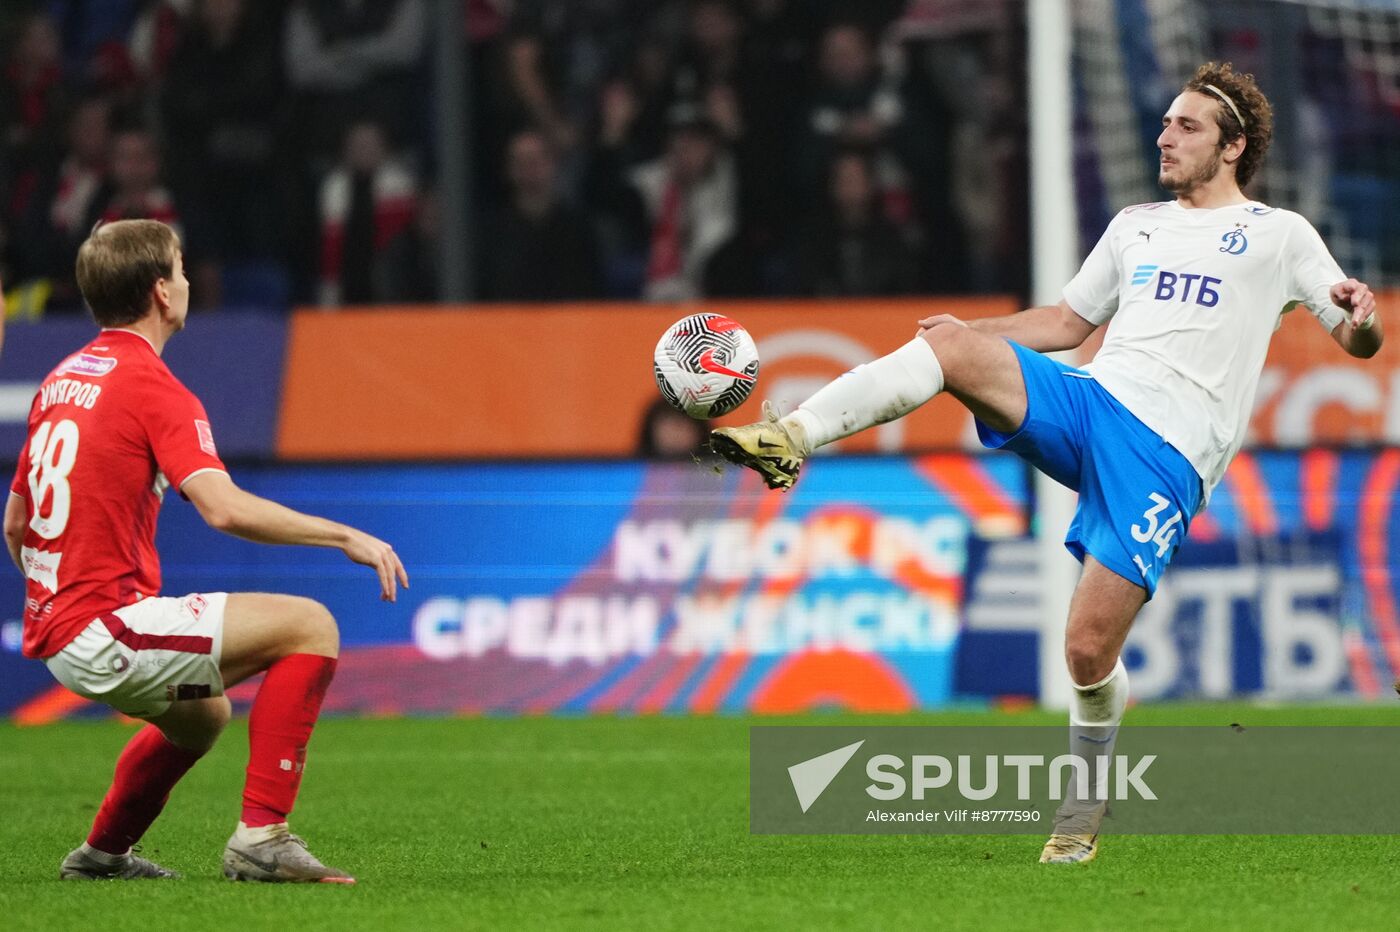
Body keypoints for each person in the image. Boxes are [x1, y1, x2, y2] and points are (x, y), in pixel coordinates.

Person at [710, 62, 1382, 863]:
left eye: (1187, 126)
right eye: (1165, 121)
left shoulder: (1279, 234)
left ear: (1233, 146)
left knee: (1086, 652)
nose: (1165, 136)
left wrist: (1363, 318)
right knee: (948, 347)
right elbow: (1066, 323)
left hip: (1165, 455)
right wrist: (974, 333)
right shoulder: (1136, 224)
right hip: (1091, 401)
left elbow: (1354, 337)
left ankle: (1086, 800)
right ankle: (791, 439)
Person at [4, 219, 408, 883]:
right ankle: (262, 838)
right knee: (311, 626)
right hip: (104, 628)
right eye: (182, 271)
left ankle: (102, 856)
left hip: (60, 630)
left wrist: (58, 602)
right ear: (162, 292)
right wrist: (345, 535)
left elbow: (16, 523)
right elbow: (223, 507)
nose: (190, 282)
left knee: (202, 717)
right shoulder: (153, 386)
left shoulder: (60, 380)